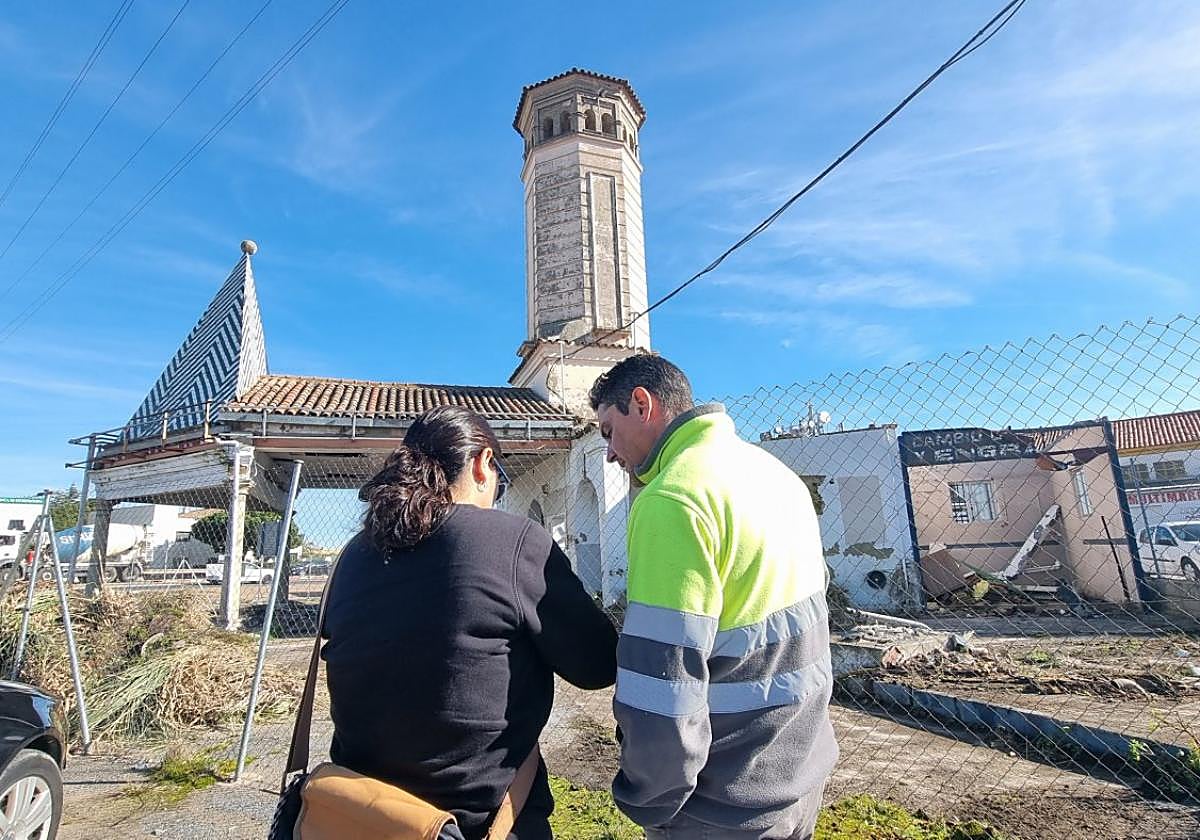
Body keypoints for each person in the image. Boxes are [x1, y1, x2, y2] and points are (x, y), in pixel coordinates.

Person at [322, 405, 618, 840]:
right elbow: (597, 665)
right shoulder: (513, 541)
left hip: (359, 815)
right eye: (499, 482)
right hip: (476, 822)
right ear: (483, 463)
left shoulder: (353, 553)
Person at [589, 354, 838, 840]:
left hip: (723, 803)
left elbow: (663, 682)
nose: (611, 454)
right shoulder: (776, 474)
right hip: (801, 778)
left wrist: (650, 799)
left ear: (641, 404)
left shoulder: (672, 499)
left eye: (608, 432)